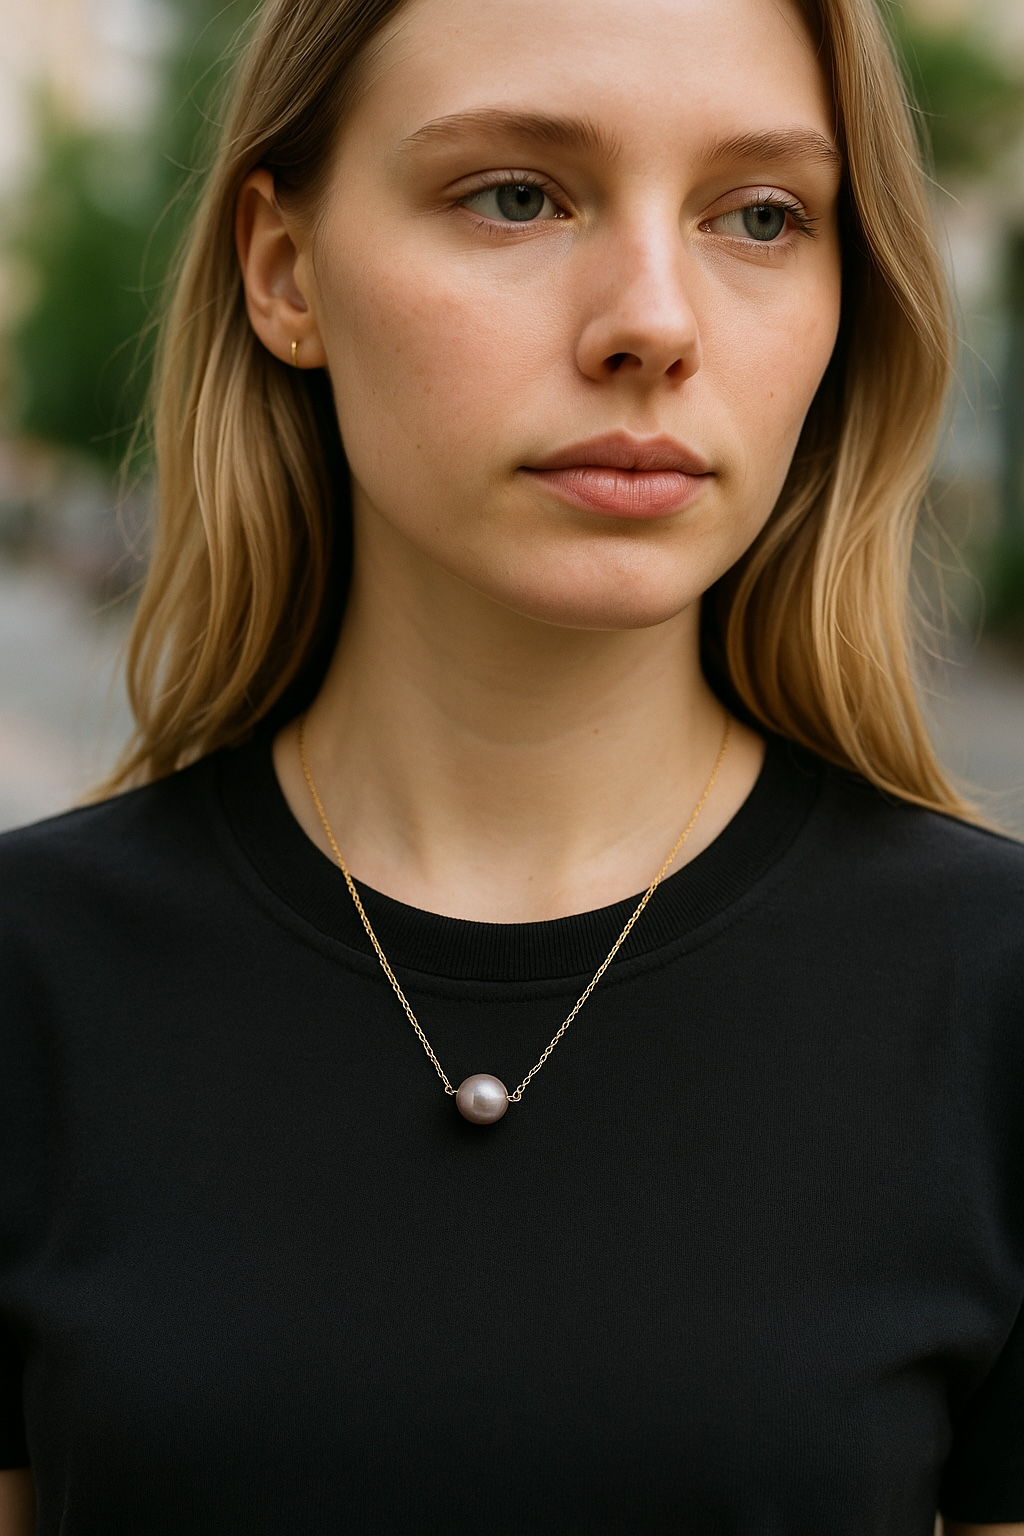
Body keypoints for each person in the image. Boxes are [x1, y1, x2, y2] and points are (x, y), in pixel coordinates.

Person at [1, 0, 1022, 1529]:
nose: (654, 323)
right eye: (518, 194)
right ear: (285, 272)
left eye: (759, 214)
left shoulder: (994, 998)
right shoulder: (32, 982)